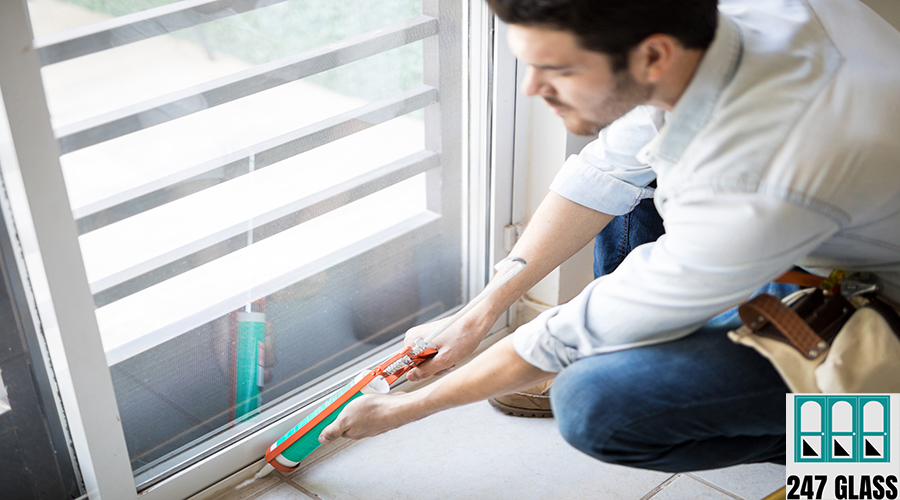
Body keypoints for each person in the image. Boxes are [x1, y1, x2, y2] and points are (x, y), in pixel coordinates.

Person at [320, 0, 900, 472]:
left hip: (875, 294)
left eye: (560, 70)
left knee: (597, 405)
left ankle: (873, 446)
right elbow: (605, 171)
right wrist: (476, 316)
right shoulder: (707, 31)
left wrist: (404, 409)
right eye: (530, 62)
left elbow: (559, 336)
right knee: (639, 178)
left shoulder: (758, 170)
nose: (531, 88)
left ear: (652, 55)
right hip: (826, 223)